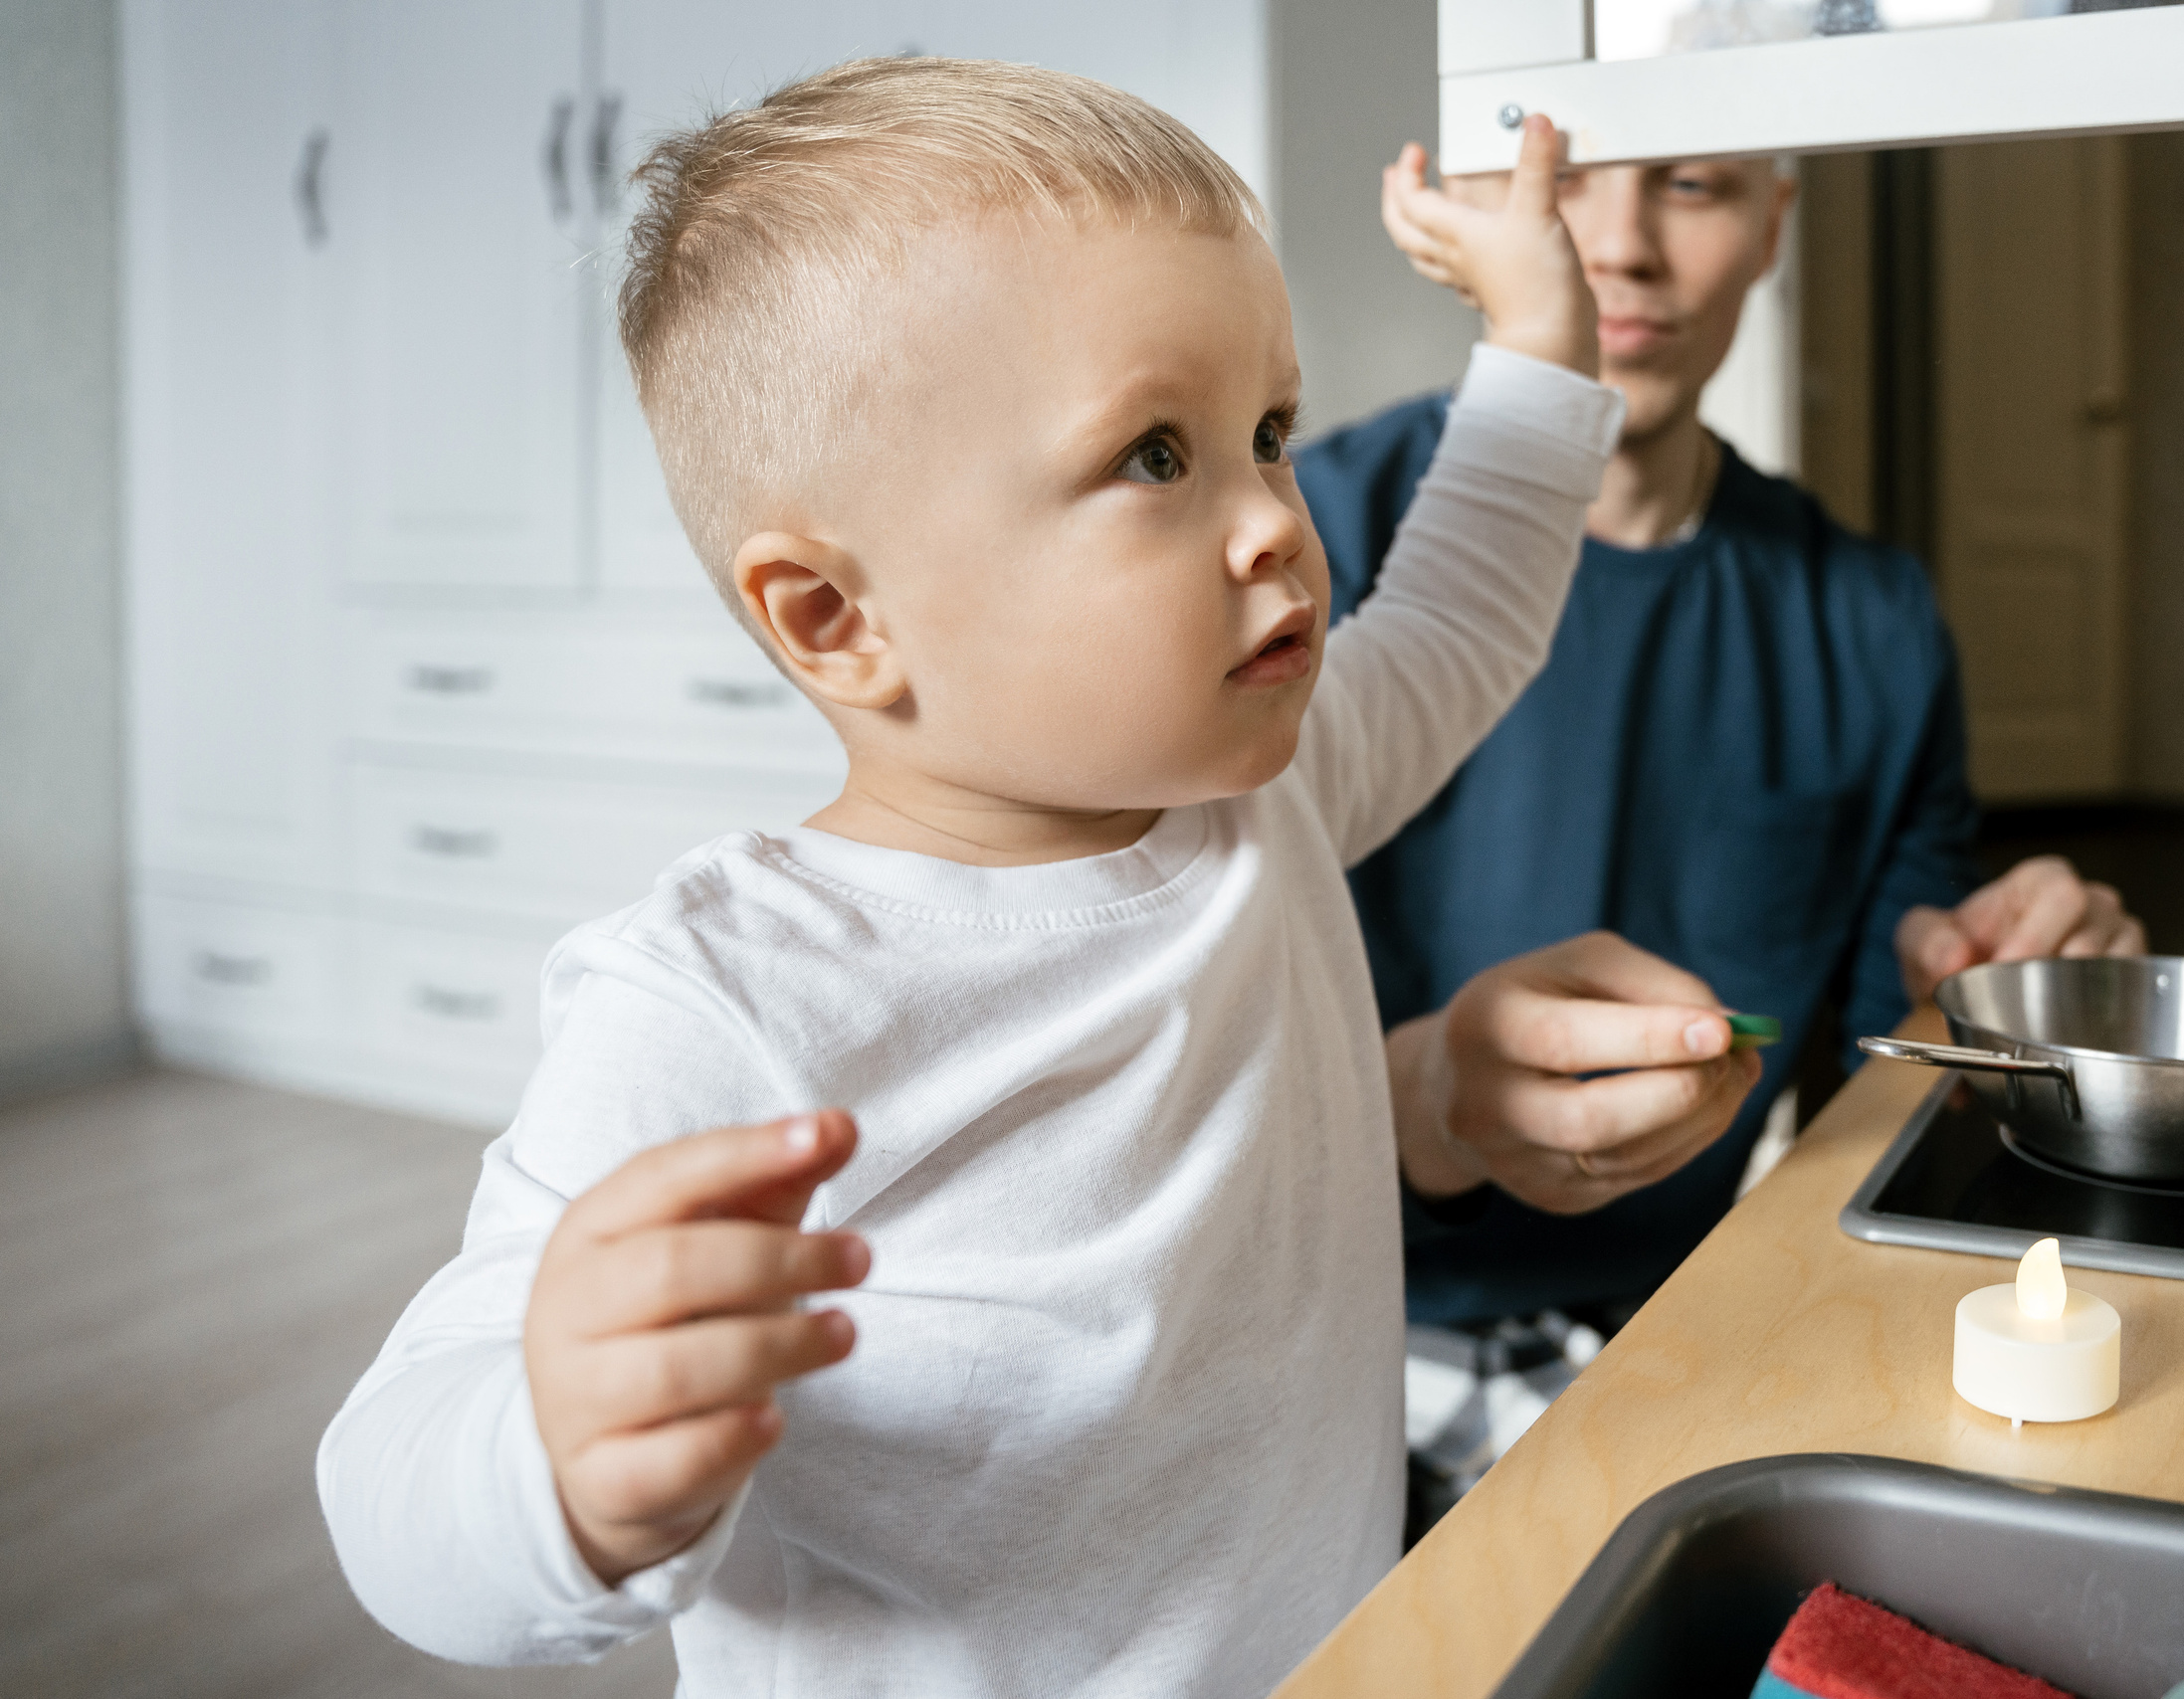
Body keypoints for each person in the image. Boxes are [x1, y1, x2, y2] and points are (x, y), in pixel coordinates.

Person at [316, 60, 1686, 1699]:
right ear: (836, 619)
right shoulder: (728, 996)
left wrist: (1540, 332)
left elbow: (1466, 607)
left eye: (1269, 432)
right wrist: (554, 1460)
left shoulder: (1272, 784)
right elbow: (394, 1474)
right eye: (1157, 458)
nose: (1274, 520)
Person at [1297, 153, 2142, 1362]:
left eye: (1693, 184)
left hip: (1674, 1322)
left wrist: (2003, 991)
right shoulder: (1300, 552)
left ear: (1771, 224)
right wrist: (1425, 1103)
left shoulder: (1873, 626)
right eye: (1571, 177)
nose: (1625, 244)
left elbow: (1892, 1100)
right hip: (1333, 1332)